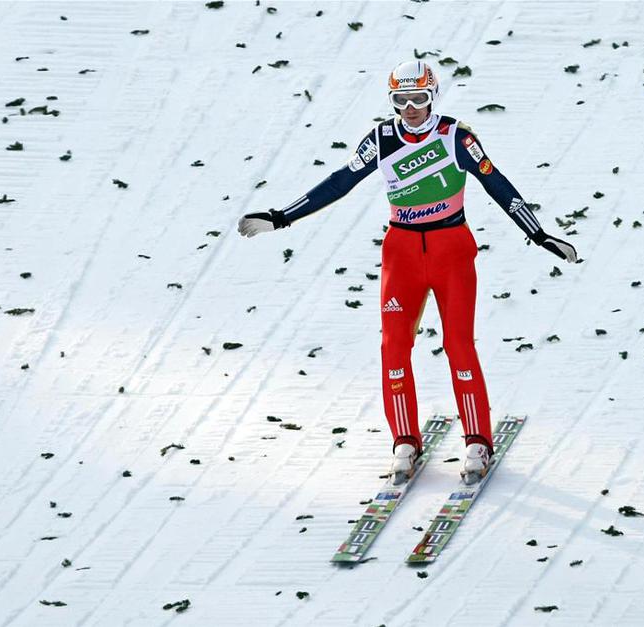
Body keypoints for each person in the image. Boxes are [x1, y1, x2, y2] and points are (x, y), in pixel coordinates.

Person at [237, 60, 578, 486]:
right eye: (402, 100)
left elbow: (497, 183)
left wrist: (538, 233)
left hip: (451, 249)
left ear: (434, 96)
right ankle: (404, 440)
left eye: (420, 99)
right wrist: (281, 217)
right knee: (393, 347)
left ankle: (477, 440)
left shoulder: (457, 137)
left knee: (458, 346)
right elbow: (341, 181)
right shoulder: (381, 139)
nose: (411, 108)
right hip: (402, 251)